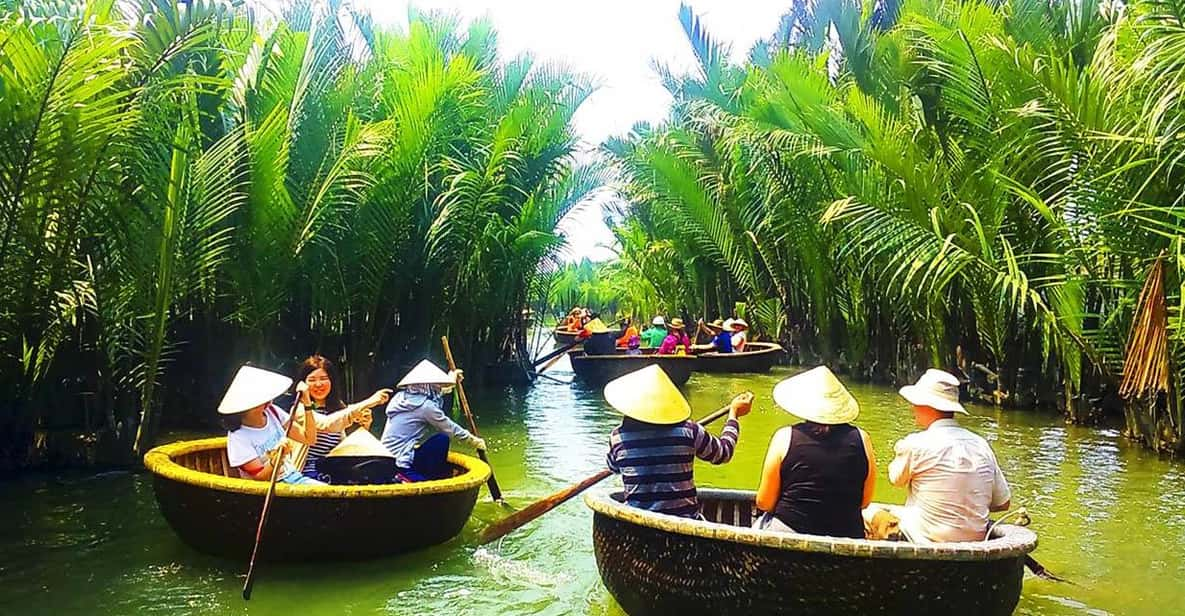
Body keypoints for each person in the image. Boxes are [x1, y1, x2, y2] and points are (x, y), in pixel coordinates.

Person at [876, 369, 1011, 543]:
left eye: (916, 403)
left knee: (871, 512)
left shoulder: (916, 443)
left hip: (923, 539)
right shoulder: (981, 444)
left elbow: (895, 479)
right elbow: (1003, 503)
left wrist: (899, 450)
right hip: (975, 542)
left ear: (928, 406)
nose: (913, 408)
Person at [605, 365, 753, 518]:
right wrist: (733, 415)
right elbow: (724, 453)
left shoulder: (617, 438)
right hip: (685, 519)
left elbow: (613, 467)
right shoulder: (689, 431)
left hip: (637, 522)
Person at [753, 367, 876, 538]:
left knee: (760, 523)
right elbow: (865, 501)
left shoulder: (784, 437)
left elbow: (764, 502)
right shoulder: (863, 439)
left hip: (790, 533)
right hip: (847, 535)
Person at [381, 360, 487, 482]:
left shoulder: (401, 397)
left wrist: (451, 379)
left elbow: (435, 395)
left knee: (440, 440)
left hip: (386, 457)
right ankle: (407, 477)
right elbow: (450, 428)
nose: (438, 387)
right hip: (399, 462)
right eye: (435, 384)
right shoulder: (426, 407)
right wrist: (473, 441)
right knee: (442, 439)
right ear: (427, 386)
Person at [293, 355, 393, 481]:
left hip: (334, 468)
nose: (318, 384)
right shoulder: (299, 409)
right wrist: (370, 401)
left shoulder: (338, 407)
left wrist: (364, 426)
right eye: (312, 380)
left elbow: (342, 447)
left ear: (331, 381)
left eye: (324, 379)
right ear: (303, 384)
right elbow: (326, 424)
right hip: (309, 472)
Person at [220, 365, 323, 485]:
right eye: (261, 400)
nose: (269, 402)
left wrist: (307, 404)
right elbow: (259, 477)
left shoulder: (273, 411)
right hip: (271, 488)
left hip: (294, 477)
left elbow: (309, 438)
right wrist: (277, 457)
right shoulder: (238, 437)